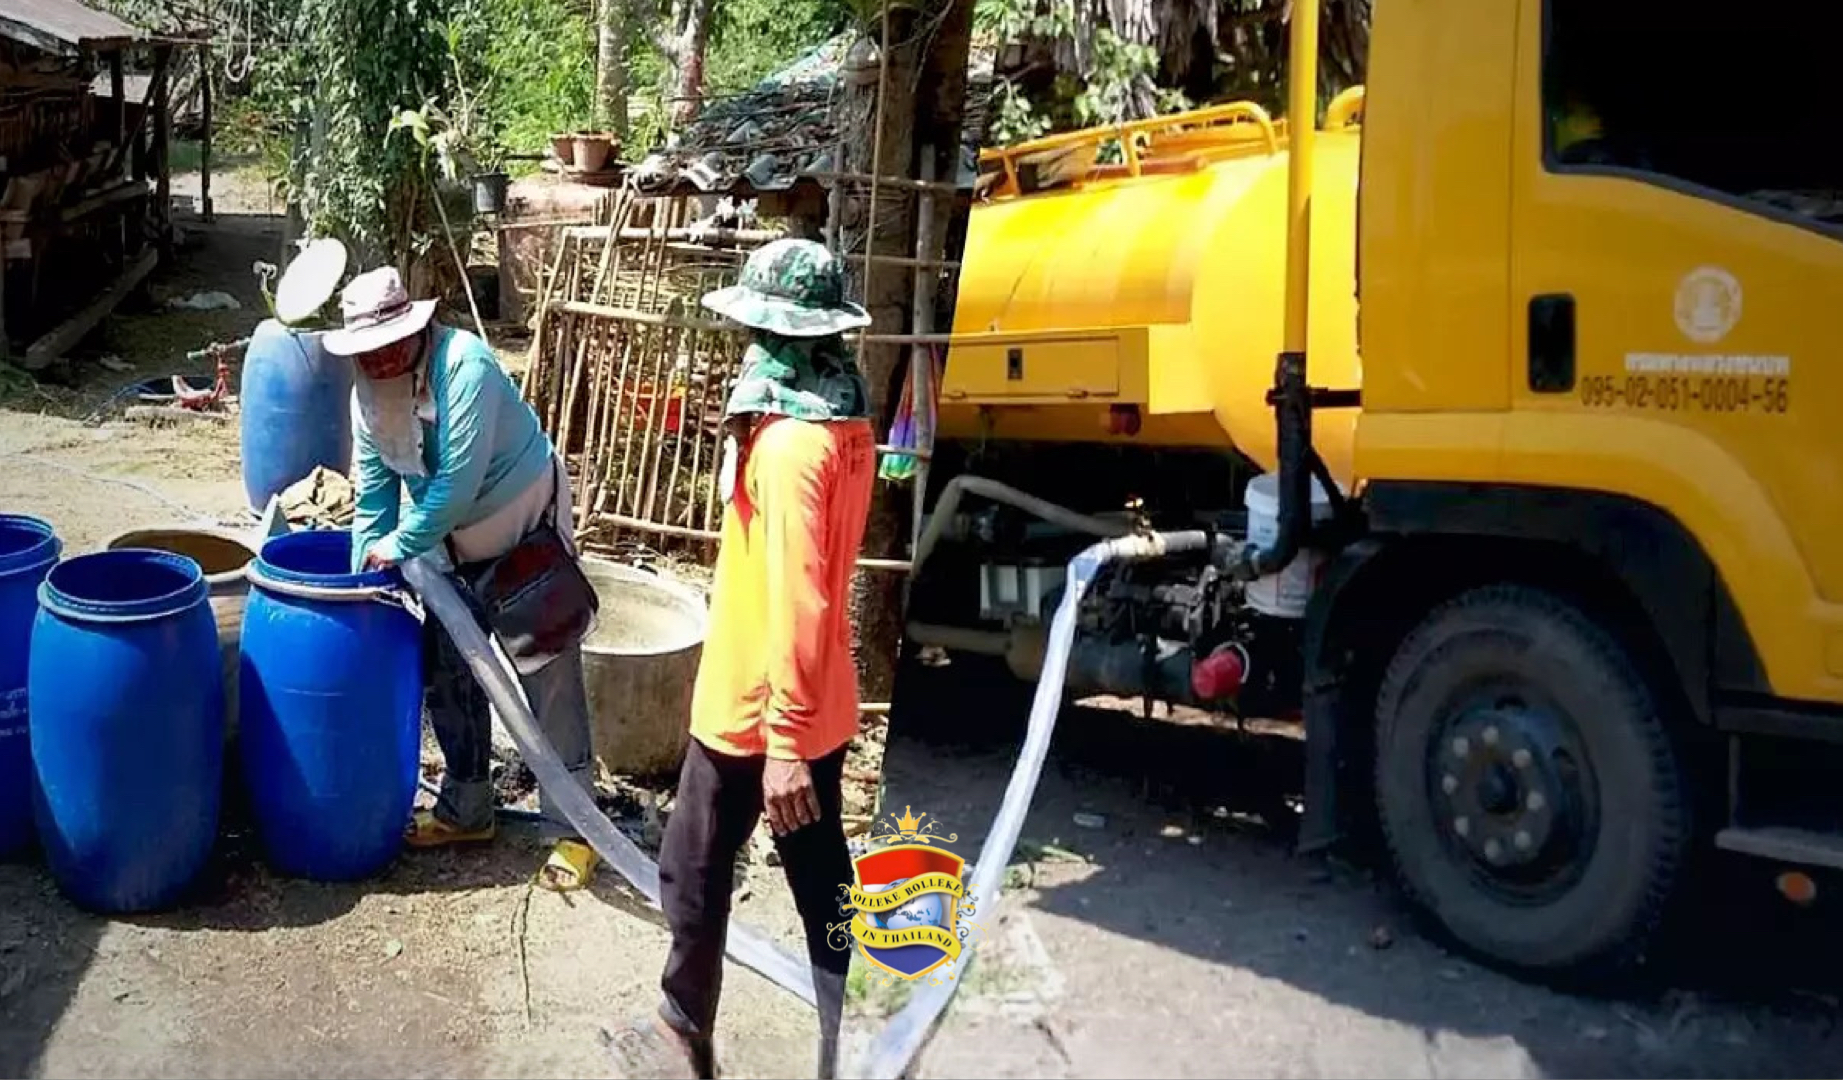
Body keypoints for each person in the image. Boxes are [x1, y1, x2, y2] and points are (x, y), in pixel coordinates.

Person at [607, 239, 877, 1080]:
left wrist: (785, 744)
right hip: (815, 697)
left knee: (691, 869)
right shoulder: (845, 423)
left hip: (758, 713)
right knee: (821, 878)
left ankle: (680, 1038)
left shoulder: (791, 446)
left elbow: (799, 593)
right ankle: (857, 1037)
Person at [327, 266, 602, 893]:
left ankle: (574, 830)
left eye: (389, 343)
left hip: (522, 532)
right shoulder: (369, 394)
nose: (380, 358)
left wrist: (397, 546)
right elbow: (373, 494)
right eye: (366, 351)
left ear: (415, 330)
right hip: (447, 549)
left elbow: (455, 486)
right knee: (448, 668)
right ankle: (468, 806)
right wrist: (358, 578)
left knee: (548, 670)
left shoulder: (464, 368)